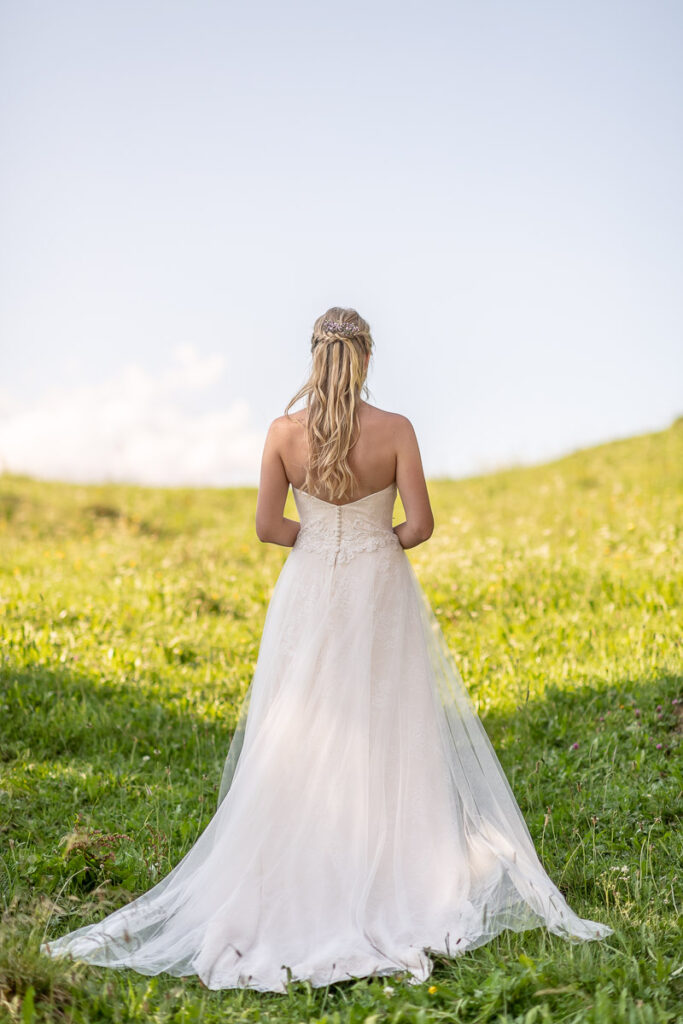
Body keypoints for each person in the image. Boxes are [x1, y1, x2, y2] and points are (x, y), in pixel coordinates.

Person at [41, 306, 613, 993]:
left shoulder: (283, 433)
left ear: (313, 355)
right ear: (366, 358)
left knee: (302, 720)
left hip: (309, 589)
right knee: (386, 721)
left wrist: (319, 543)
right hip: (378, 586)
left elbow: (266, 526)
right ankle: (394, 863)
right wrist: (372, 542)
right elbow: (421, 525)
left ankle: (303, 858)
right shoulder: (396, 430)